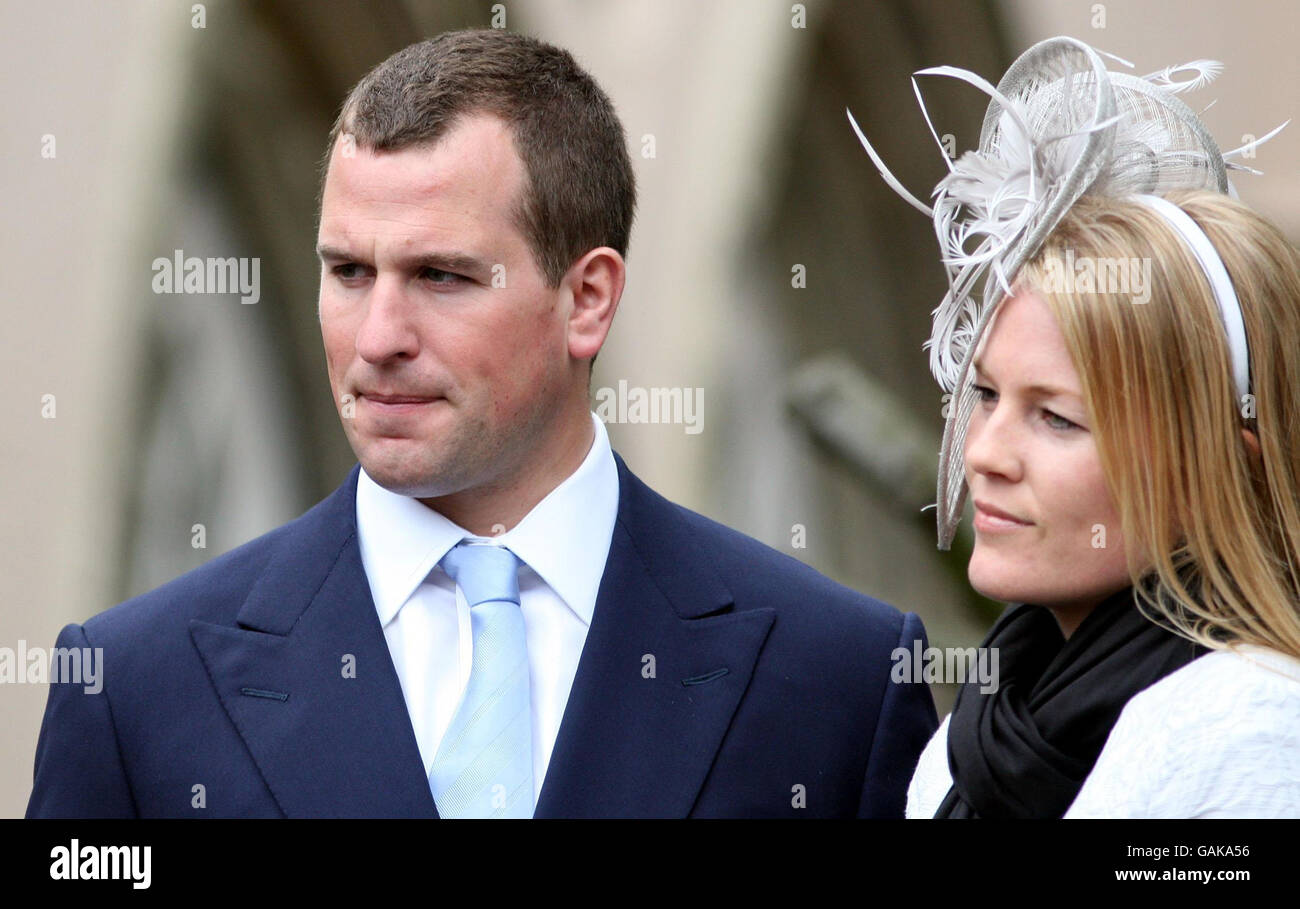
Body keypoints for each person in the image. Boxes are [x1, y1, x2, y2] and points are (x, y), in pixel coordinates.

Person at [27, 29, 936, 819]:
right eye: (348, 272)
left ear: (587, 299)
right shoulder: (133, 688)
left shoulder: (837, 679)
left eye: (442, 277)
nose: (377, 338)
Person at [853, 37, 1300, 817]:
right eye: (986, 394)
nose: (986, 454)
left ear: (1223, 464)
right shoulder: (970, 735)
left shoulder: (1254, 731)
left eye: (1057, 417)